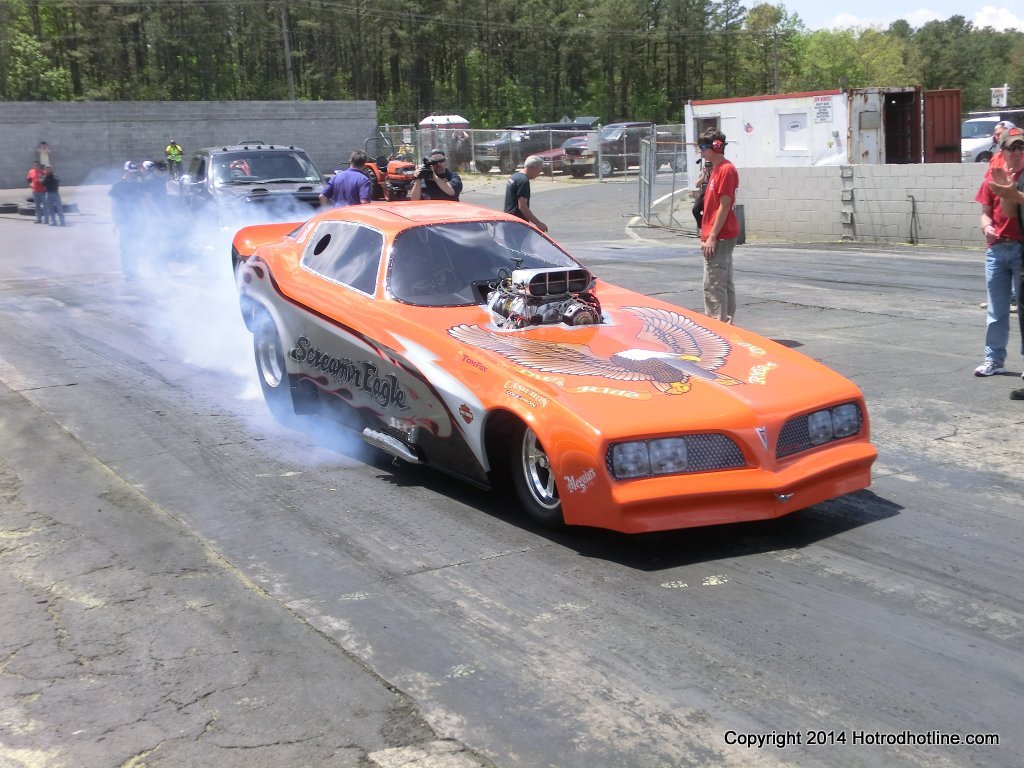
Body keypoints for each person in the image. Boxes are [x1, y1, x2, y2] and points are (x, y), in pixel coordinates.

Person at [973, 126, 1024, 377]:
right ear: (1002, 151)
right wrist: (988, 227)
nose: (1016, 152)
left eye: (1020, 147)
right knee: (996, 310)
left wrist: (1013, 192)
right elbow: (984, 213)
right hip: (997, 249)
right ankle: (994, 359)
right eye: (1011, 147)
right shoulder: (992, 176)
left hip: (1021, 249)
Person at [698, 128, 740, 323]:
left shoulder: (726, 170)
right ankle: (727, 323)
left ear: (716, 147)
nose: (701, 151)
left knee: (714, 284)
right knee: (722, 282)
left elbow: (724, 206)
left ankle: (718, 323)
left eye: (703, 147)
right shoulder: (715, 169)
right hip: (716, 234)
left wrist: (712, 236)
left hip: (720, 235)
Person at [109, 162, 144, 280]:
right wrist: (115, 221)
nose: (132, 175)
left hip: (136, 220)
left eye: (134, 173)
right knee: (125, 247)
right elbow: (114, 205)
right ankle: (127, 270)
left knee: (136, 246)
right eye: (130, 173)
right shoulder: (117, 185)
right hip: (124, 220)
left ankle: (134, 269)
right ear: (125, 171)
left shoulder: (137, 184)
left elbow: (141, 202)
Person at [503, 155, 547, 232]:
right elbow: (522, 206)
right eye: (539, 170)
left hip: (509, 220)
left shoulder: (515, 176)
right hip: (517, 224)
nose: (539, 173)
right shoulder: (523, 181)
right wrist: (538, 223)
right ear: (534, 167)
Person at [691, 158, 713, 229]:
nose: (708, 168)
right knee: (695, 209)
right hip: (703, 195)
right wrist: (704, 175)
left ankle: (708, 225)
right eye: (706, 166)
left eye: (710, 166)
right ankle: (702, 225)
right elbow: (697, 185)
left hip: (712, 196)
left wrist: (711, 174)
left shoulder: (715, 173)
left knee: (709, 212)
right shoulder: (703, 173)